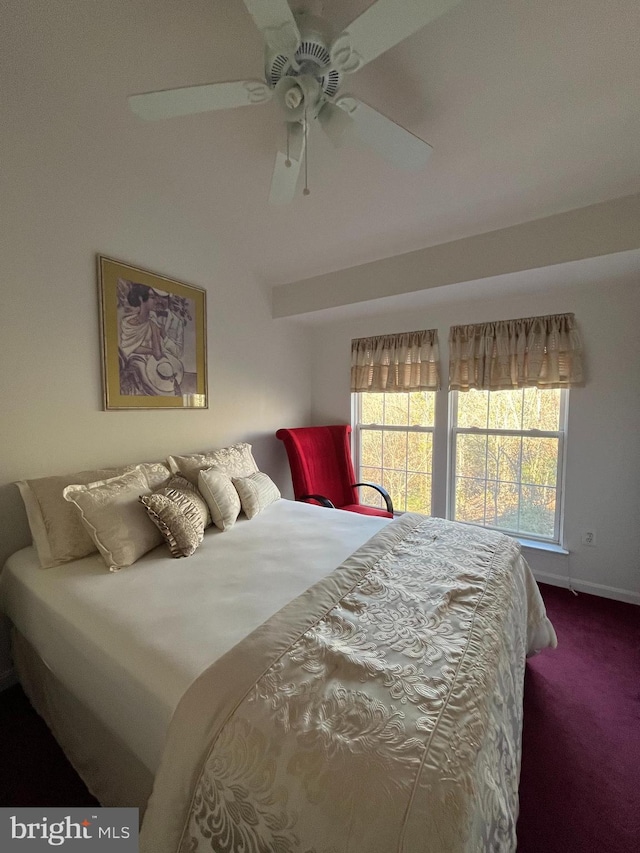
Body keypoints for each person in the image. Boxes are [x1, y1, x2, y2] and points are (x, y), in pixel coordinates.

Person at [118, 283, 184, 396]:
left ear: (169, 299)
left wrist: (164, 337)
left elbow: (169, 352)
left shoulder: (174, 322)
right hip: (140, 362)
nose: (158, 300)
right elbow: (126, 347)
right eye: (154, 297)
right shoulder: (128, 322)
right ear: (141, 299)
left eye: (163, 297)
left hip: (161, 364)